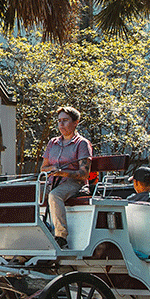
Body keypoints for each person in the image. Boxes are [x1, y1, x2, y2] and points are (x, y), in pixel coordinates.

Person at [40, 106, 91, 249]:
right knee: (30, 192)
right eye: (59, 121)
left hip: (74, 183)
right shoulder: (53, 143)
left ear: (75, 123)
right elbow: (43, 168)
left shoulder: (82, 143)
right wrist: (52, 170)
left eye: (65, 120)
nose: (61, 124)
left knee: (55, 195)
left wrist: (63, 172)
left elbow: (84, 174)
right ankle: (35, 232)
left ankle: (61, 237)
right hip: (52, 182)